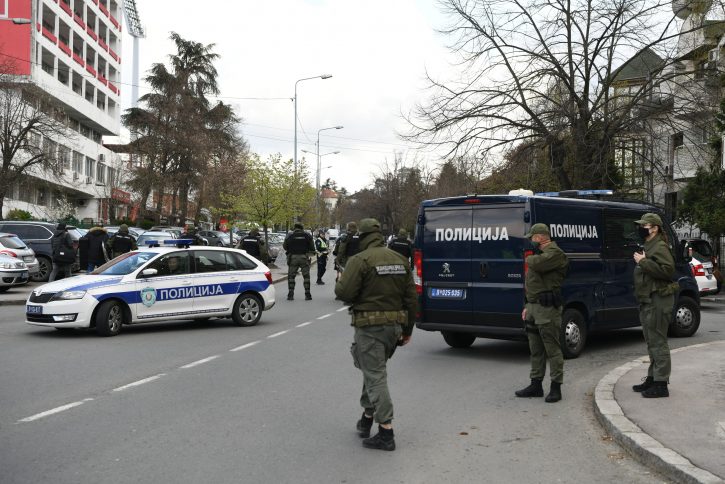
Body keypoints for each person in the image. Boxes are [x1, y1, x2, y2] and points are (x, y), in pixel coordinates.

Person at [335, 218, 417, 452]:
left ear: (362, 236)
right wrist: (408, 330)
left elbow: (344, 293)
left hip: (369, 328)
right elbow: (411, 299)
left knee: (375, 374)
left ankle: (386, 431)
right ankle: (367, 418)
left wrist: (343, 281)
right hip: (394, 328)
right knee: (373, 370)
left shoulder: (360, 260)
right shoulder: (401, 260)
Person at [515, 223, 569, 403]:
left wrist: (528, 258)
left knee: (552, 349)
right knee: (535, 349)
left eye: (532, 237)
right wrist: (527, 306)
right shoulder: (541, 254)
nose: (530, 240)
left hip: (547, 309)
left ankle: (556, 387)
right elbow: (532, 283)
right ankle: (535, 384)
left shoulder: (556, 253)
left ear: (541, 236)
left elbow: (535, 264)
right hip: (533, 307)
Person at [632, 213, 676, 398]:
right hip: (649, 300)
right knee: (651, 342)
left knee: (658, 342)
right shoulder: (649, 245)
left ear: (655, 228)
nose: (641, 228)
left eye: (645, 225)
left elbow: (668, 271)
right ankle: (653, 377)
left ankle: (661, 384)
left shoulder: (659, 246)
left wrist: (643, 262)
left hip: (658, 299)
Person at [283, 222, 315, 300]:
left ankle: (290, 294)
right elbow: (312, 248)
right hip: (304, 257)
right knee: (306, 277)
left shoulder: (289, 235)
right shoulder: (307, 235)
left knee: (291, 277)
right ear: (302, 228)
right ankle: (308, 294)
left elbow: (285, 246)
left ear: (295, 227)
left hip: (293, 257)